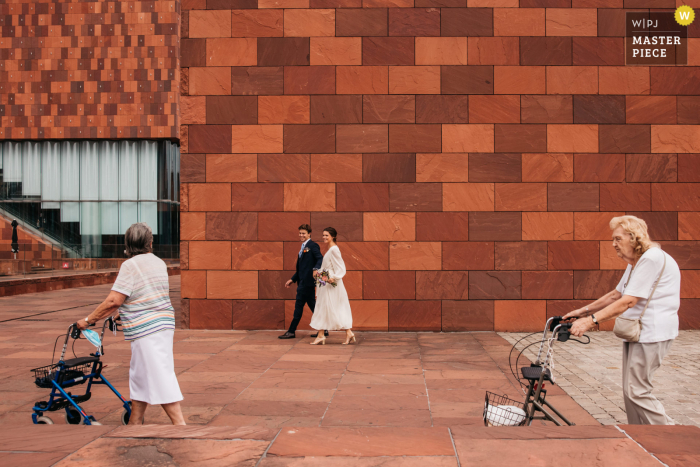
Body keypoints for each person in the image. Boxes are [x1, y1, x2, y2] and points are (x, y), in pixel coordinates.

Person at [565, 215, 680, 425]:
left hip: (652, 333)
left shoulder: (651, 259)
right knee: (631, 391)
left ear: (634, 237)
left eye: (618, 239)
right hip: (638, 332)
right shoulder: (637, 262)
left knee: (638, 391)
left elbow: (628, 301)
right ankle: (639, 435)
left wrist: (590, 321)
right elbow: (616, 295)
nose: (613, 244)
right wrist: (582, 311)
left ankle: (670, 434)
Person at [77, 223, 185, 425]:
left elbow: (113, 301)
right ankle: (135, 423)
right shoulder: (159, 263)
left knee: (159, 375)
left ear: (127, 244)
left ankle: (181, 425)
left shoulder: (130, 266)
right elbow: (148, 296)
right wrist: (124, 314)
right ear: (150, 243)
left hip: (147, 332)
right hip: (162, 326)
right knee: (140, 376)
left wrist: (87, 320)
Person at [309, 227, 355, 345]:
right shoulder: (331, 249)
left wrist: (333, 278)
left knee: (326, 305)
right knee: (325, 306)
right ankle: (322, 334)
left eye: (326, 235)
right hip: (326, 281)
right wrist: (320, 273)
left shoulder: (334, 249)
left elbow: (341, 267)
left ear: (333, 236)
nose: (324, 237)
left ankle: (322, 335)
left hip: (330, 283)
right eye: (323, 235)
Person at [279, 224, 325, 339]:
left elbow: (320, 258)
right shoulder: (303, 247)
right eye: (300, 233)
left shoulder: (313, 245)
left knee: (298, 306)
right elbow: (301, 269)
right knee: (313, 307)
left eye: (303, 233)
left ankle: (291, 331)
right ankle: (324, 329)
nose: (301, 235)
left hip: (306, 283)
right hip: (303, 282)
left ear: (309, 234)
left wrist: (315, 269)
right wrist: (293, 279)